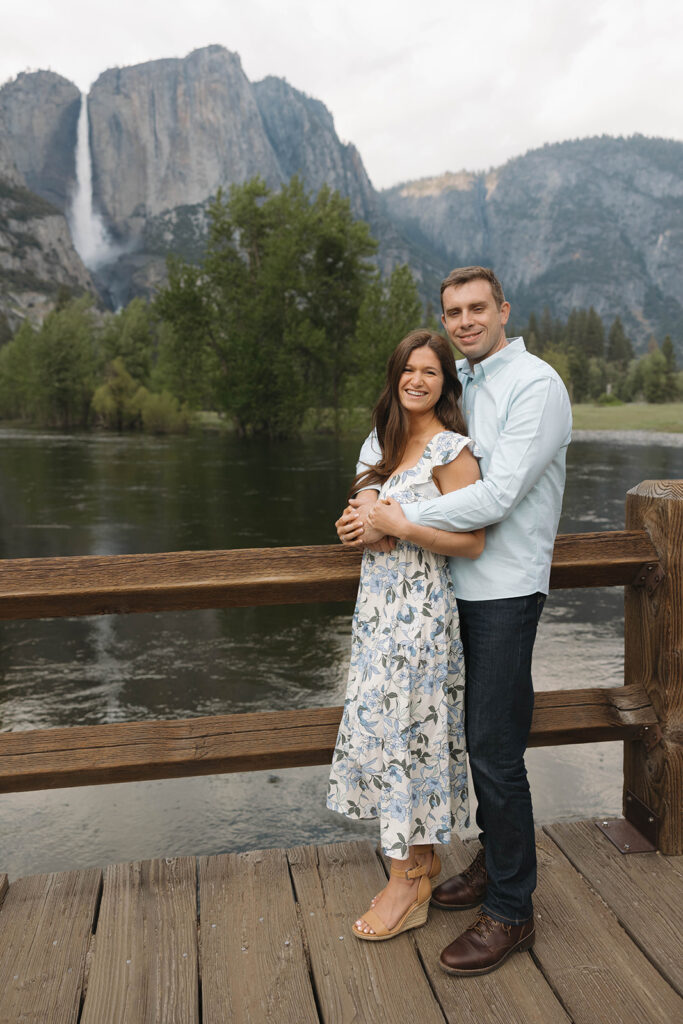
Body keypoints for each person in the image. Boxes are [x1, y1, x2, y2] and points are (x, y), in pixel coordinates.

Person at [336, 266, 572, 975]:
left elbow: (494, 496)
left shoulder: (536, 385)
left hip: (501, 591)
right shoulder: (464, 384)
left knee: (494, 752)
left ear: (503, 310)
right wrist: (373, 518)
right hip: (441, 600)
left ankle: (510, 909)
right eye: (452, 311)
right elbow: (402, 466)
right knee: (459, 743)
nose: (465, 320)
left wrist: (393, 519)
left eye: (476, 309)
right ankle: (486, 870)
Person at [327, 328, 485, 941]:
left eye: (431, 372)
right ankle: (418, 862)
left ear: (445, 384)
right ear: (396, 376)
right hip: (375, 617)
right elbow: (363, 507)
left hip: (421, 618)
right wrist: (355, 525)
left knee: (408, 736)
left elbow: (472, 542)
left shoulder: (452, 451)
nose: (417, 380)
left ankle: (404, 879)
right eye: (408, 370)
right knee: (383, 730)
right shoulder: (381, 442)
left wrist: (401, 525)